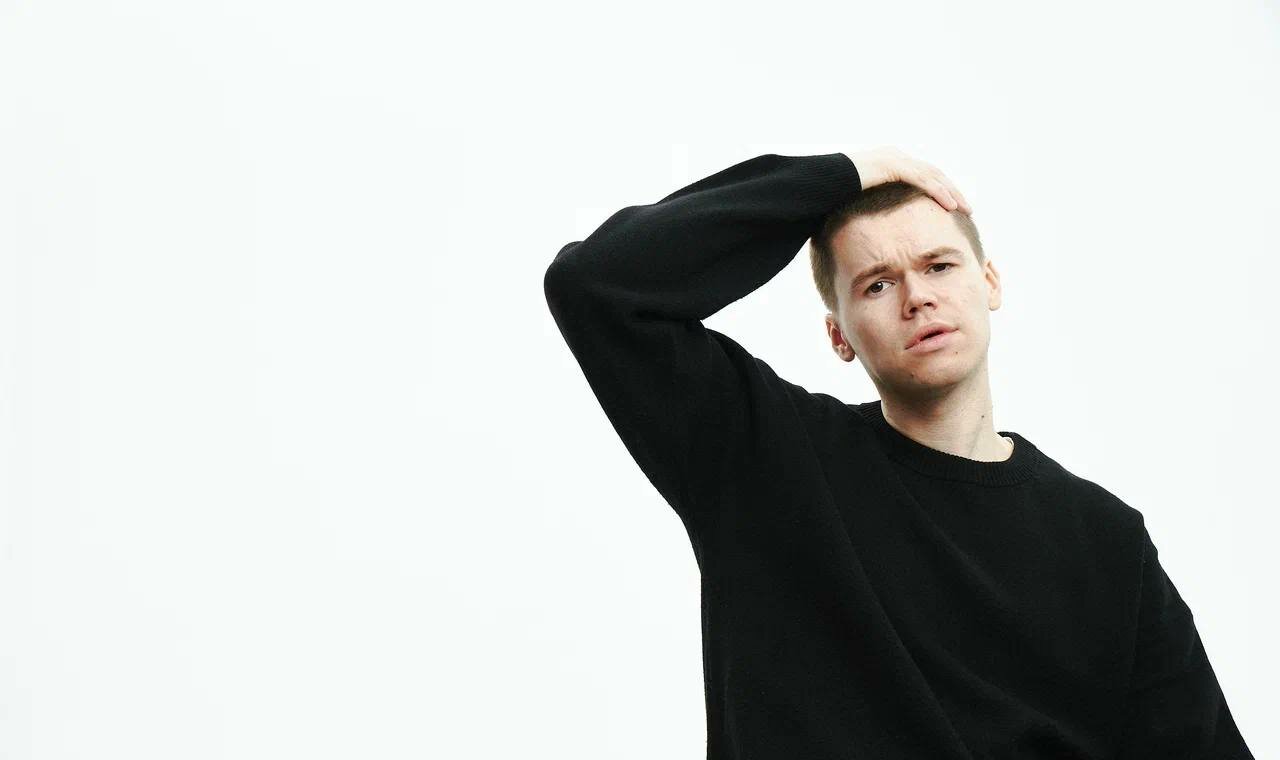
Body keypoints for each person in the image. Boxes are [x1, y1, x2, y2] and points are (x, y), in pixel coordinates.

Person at [542, 147, 1253, 759]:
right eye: (877, 284)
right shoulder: (765, 459)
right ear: (839, 336)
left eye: (939, 266)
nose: (917, 298)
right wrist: (844, 173)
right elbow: (596, 286)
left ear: (990, 283)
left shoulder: (1105, 540)